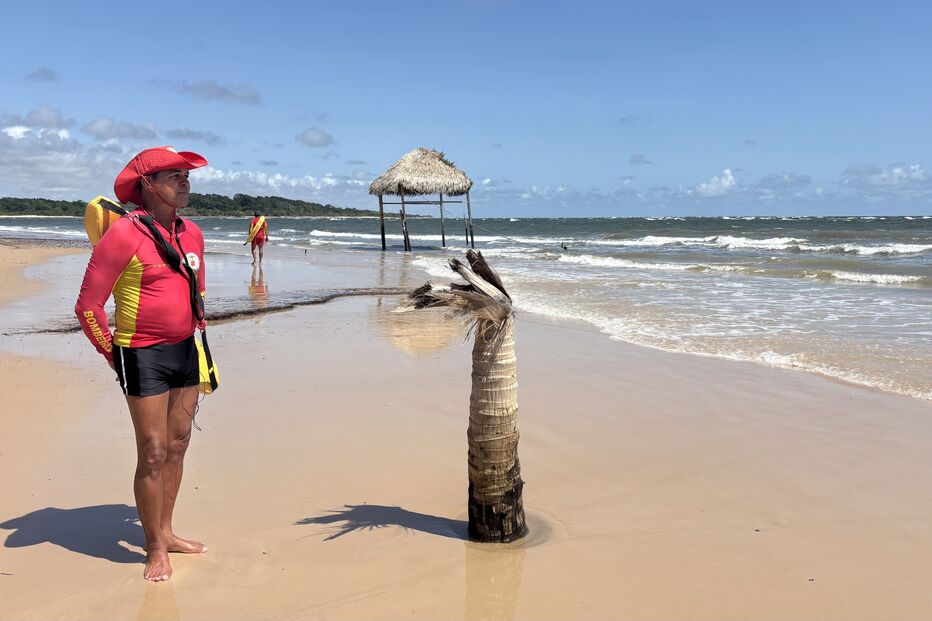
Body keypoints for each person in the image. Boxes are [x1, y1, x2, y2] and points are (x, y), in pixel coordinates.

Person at [74, 146, 209, 582]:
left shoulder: (193, 234)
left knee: (180, 442)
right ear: (147, 186)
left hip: (186, 350)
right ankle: (153, 547)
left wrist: (203, 350)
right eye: (173, 175)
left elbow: (197, 296)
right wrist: (115, 356)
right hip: (141, 352)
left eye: (186, 175)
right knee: (152, 452)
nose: (184, 181)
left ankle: (166, 531)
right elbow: (88, 307)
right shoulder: (124, 235)